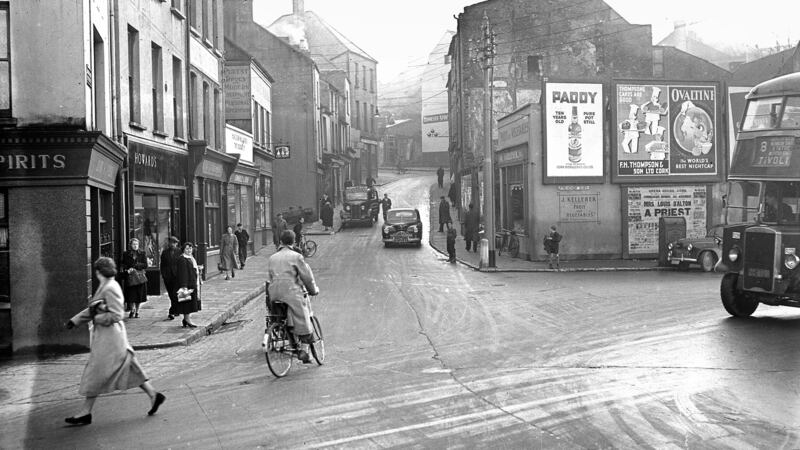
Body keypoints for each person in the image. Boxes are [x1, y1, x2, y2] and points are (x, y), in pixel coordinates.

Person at [64, 257, 165, 426]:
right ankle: (154, 395)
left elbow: (117, 314)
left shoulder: (110, 287)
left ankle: (85, 412)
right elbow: (94, 308)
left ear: (99, 272)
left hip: (110, 340)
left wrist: (98, 317)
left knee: (96, 372)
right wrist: (75, 321)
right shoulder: (106, 285)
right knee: (130, 368)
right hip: (111, 338)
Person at [267, 230, 319, 364]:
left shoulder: (272, 258)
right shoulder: (296, 257)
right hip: (291, 292)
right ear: (293, 242)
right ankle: (304, 349)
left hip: (274, 293)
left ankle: (286, 333)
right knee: (304, 316)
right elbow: (306, 277)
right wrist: (313, 290)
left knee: (281, 315)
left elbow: (271, 277)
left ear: (281, 241)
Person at [175, 242, 201, 328]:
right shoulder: (182, 259)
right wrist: (184, 285)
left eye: (190, 248)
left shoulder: (191, 258)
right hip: (187, 284)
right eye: (187, 249)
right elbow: (182, 273)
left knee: (190, 302)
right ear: (183, 250)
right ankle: (187, 319)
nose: (189, 250)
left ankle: (186, 319)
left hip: (192, 282)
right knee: (186, 302)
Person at [121, 238, 148, 318]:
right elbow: (123, 264)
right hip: (131, 277)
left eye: (137, 244)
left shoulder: (142, 253)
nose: (135, 246)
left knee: (139, 296)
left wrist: (136, 266)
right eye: (134, 244)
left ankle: (137, 311)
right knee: (131, 295)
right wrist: (127, 269)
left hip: (139, 277)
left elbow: (145, 265)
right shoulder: (126, 254)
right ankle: (132, 310)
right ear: (130, 245)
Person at [159, 236, 181, 320]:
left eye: (174, 243)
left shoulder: (179, 251)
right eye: (171, 243)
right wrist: (163, 274)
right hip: (168, 276)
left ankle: (172, 311)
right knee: (171, 294)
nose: (173, 244)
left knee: (175, 294)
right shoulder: (165, 252)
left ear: (177, 243)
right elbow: (162, 265)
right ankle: (176, 310)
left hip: (177, 276)